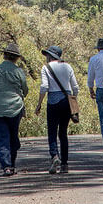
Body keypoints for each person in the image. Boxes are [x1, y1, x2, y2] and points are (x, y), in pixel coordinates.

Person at [35, 45, 79, 174]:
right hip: (66, 101)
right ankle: (65, 164)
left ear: (50, 56)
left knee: (52, 132)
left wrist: (39, 104)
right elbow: (75, 87)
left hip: (53, 101)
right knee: (63, 133)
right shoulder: (68, 66)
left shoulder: (46, 67)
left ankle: (54, 156)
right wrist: (73, 100)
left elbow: (44, 86)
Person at [0, 43, 28, 177]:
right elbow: (25, 90)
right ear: (16, 58)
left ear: (5, 55)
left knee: (2, 136)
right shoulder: (18, 71)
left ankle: (6, 166)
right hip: (15, 108)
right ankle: (12, 164)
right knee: (12, 135)